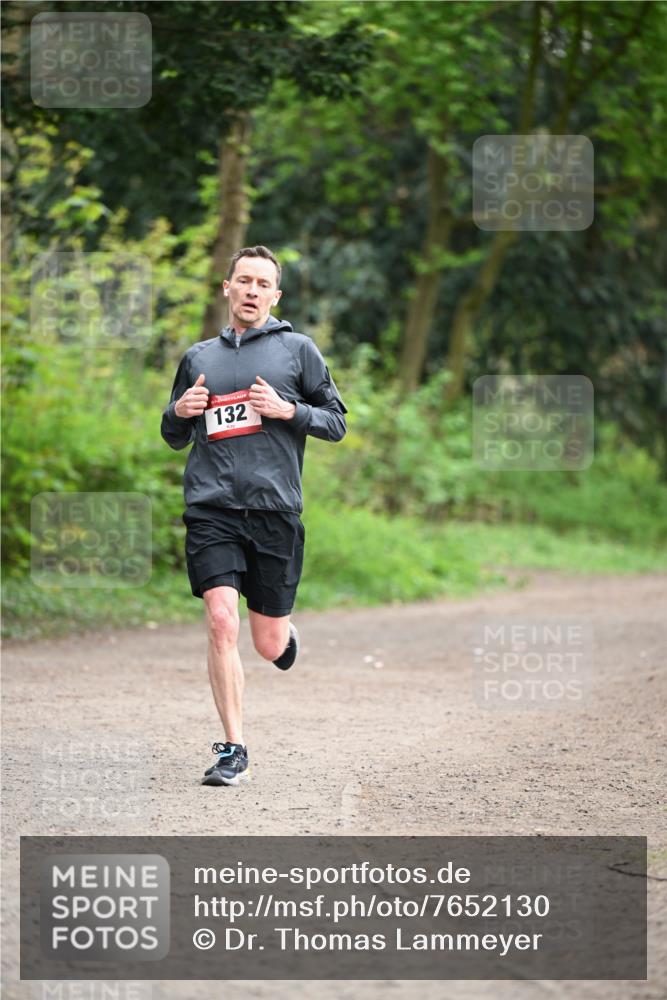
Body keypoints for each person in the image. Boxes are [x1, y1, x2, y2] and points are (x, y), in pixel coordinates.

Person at [161, 245, 347, 787]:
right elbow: (174, 434)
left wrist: (289, 410)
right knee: (221, 620)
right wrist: (179, 412)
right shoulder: (199, 357)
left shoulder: (298, 351)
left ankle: (284, 636)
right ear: (227, 287)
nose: (251, 291)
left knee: (267, 645)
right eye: (243, 280)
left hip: (274, 511)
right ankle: (233, 748)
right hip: (211, 508)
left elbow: (336, 422)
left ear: (275, 295)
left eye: (262, 284)